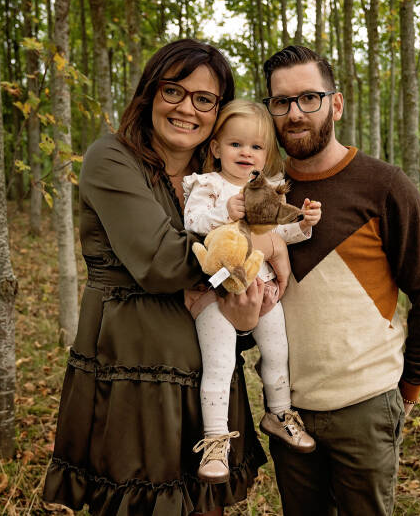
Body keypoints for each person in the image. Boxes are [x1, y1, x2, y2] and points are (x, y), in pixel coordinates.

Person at [42, 39, 271, 516]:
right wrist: (258, 248)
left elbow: (235, 282)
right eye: (174, 91)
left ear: (218, 112)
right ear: (150, 93)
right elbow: (161, 261)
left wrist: (245, 315)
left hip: (208, 373)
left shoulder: (216, 174)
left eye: (204, 99)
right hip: (134, 369)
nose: (187, 108)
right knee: (142, 500)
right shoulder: (111, 159)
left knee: (207, 505)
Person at [261, 45, 420, 516]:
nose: (294, 113)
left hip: (365, 404)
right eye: (281, 102)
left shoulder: (384, 186)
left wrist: (409, 389)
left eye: (309, 98)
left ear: (336, 104)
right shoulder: (263, 192)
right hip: (288, 409)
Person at [181, 100, 321, 484]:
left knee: (278, 352)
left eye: (256, 147)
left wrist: (304, 223)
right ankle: (214, 442)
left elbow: (280, 234)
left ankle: (279, 413)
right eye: (236, 144)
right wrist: (226, 209)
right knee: (220, 364)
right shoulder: (207, 185)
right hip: (216, 289)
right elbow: (191, 222)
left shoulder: (268, 190)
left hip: (261, 288)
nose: (246, 153)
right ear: (215, 148)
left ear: (267, 154)